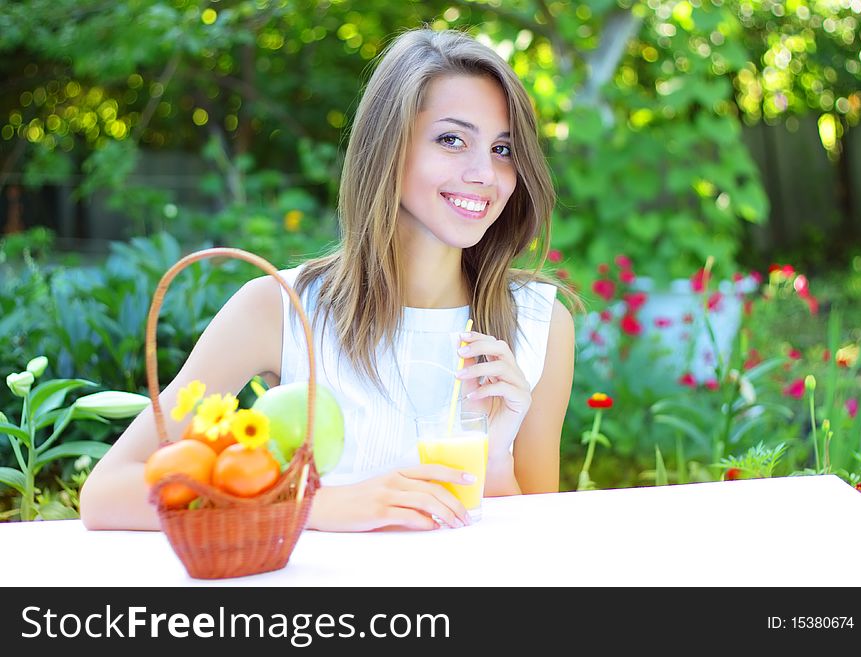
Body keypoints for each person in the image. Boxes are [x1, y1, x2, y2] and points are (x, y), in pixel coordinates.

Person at [79, 27, 577, 533]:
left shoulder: (540, 323)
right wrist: (315, 508)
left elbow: (532, 540)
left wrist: (493, 454)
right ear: (388, 146)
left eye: (503, 149)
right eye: (452, 140)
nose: (484, 174)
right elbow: (108, 493)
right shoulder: (278, 309)